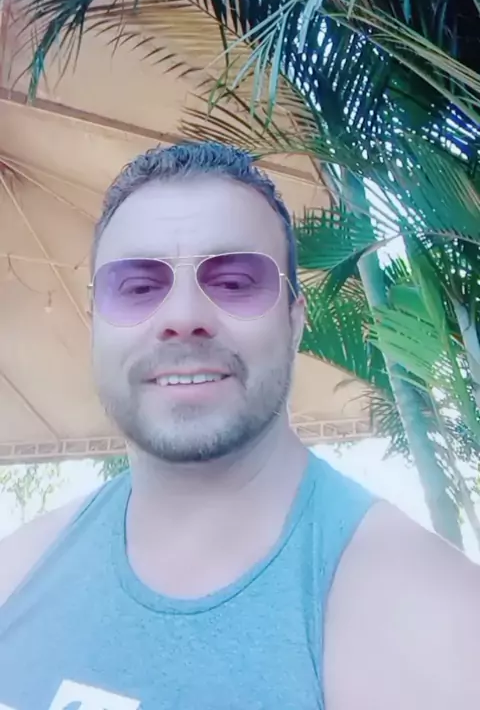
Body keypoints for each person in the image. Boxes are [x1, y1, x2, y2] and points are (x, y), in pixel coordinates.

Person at [0, 141, 478, 710]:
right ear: (96, 323)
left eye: (233, 282)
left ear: (294, 322)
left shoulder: (434, 623)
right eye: (139, 287)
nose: (183, 318)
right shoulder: (17, 572)